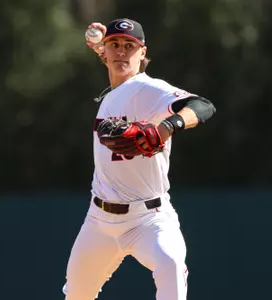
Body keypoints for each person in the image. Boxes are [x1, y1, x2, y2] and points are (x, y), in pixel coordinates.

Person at [62, 18, 216, 300]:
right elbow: (117, 63)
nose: (121, 51)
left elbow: (203, 106)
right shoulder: (116, 87)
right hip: (99, 221)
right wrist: (102, 47)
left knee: (170, 264)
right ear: (104, 52)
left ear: (142, 53)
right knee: (76, 296)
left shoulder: (149, 89)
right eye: (115, 45)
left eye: (130, 46)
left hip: (149, 219)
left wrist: (168, 126)